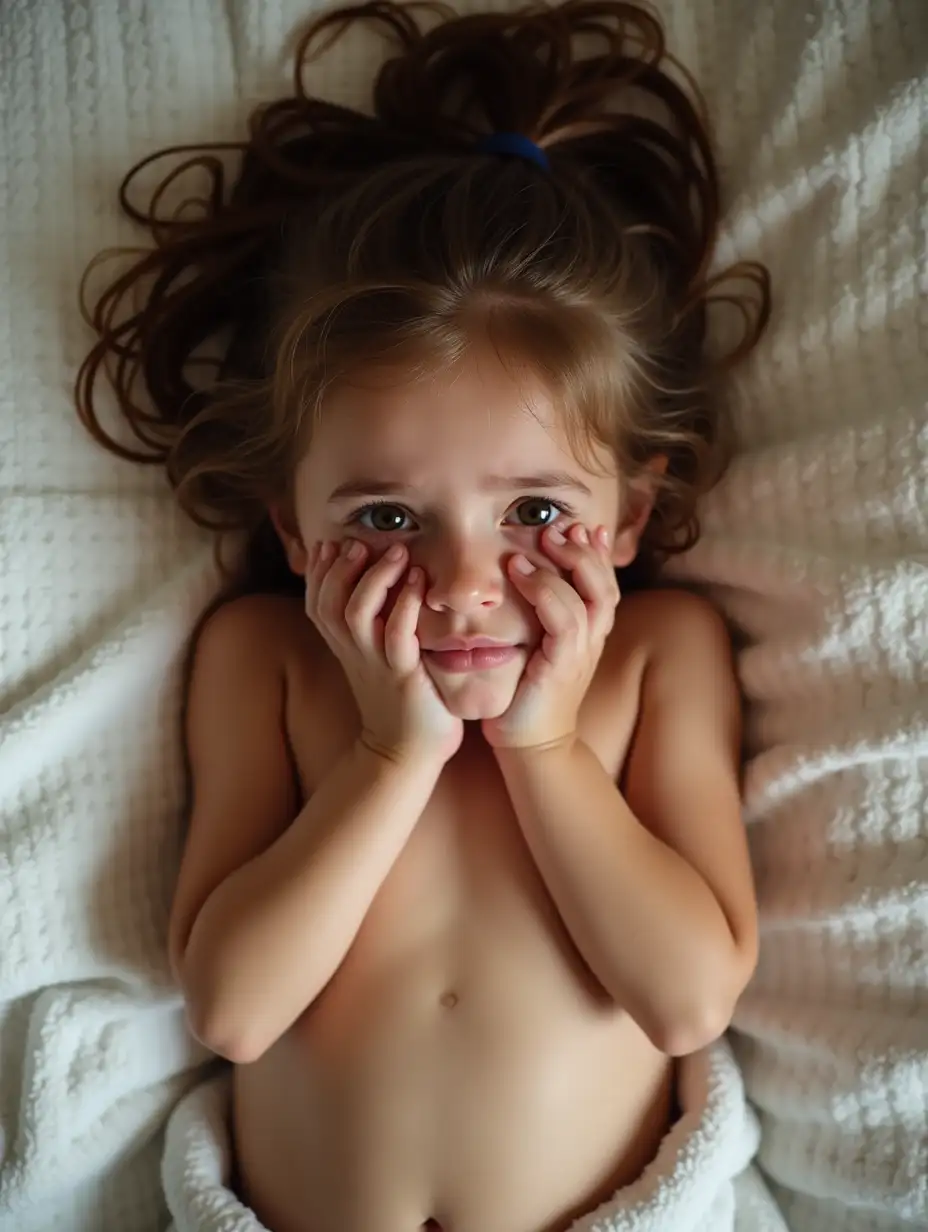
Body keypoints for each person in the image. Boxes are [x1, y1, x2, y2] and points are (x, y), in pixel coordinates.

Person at [76, 2, 771, 1229]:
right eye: (388, 518)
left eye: (537, 512)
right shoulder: (269, 662)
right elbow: (232, 1009)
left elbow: (685, 1003)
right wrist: (391, 752)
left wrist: (545, 747)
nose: (462, 581)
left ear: (625, 514)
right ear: (292, 530)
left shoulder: (659, 658)